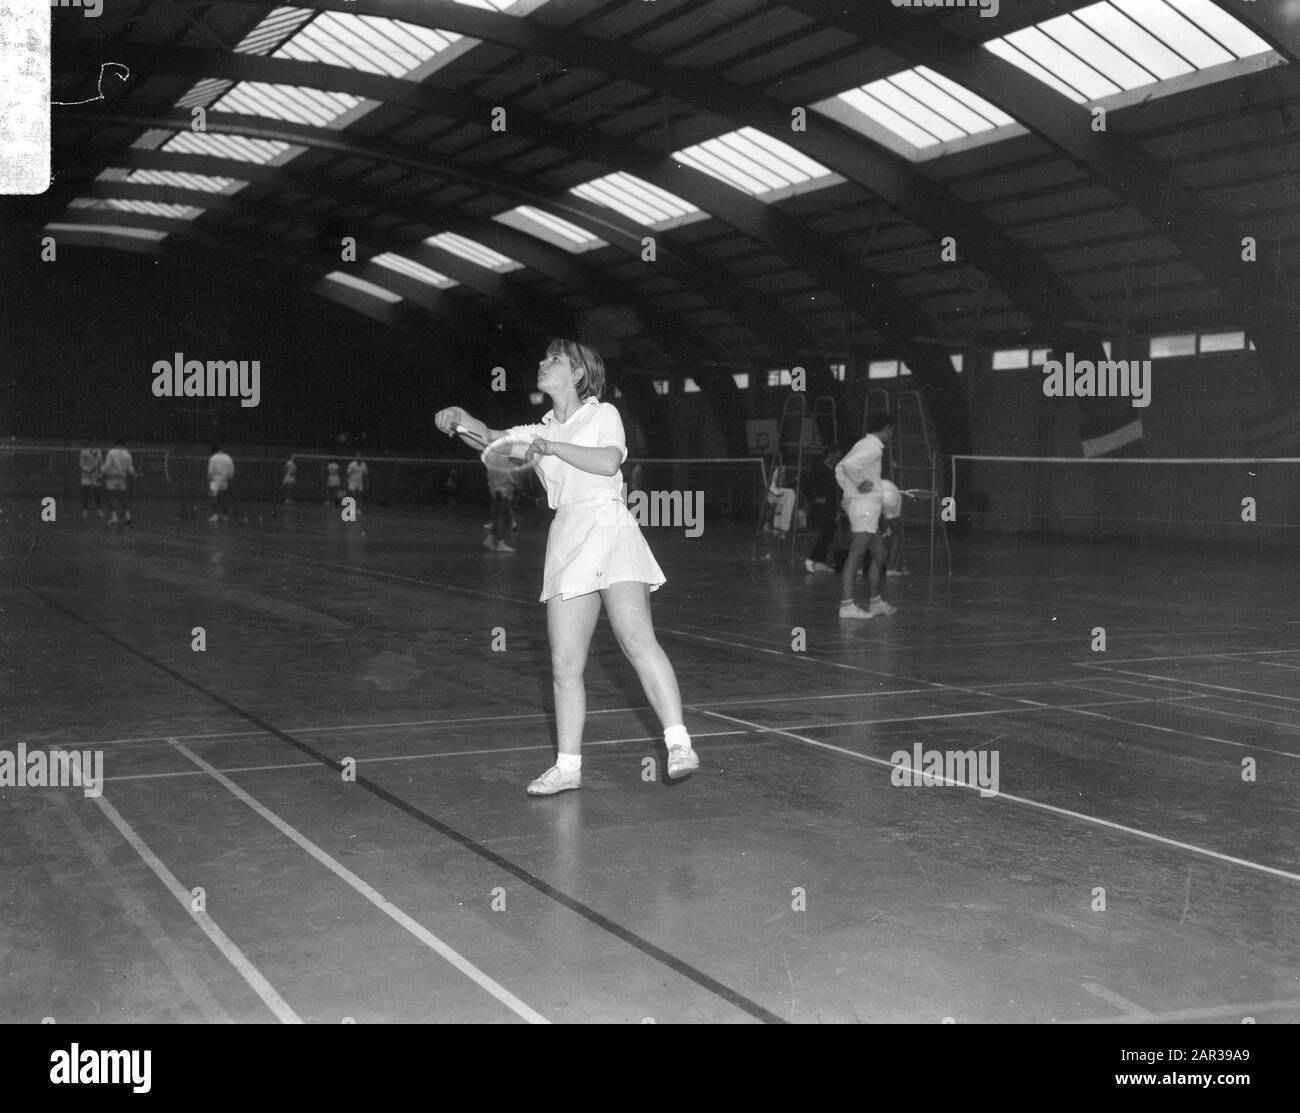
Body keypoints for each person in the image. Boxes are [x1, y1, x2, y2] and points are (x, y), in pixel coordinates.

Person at [435, 338, 699, 795]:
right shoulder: (537, 430)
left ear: (577, 373)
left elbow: (608, 461)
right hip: (568, 535)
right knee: (564, 664)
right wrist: (460, 419)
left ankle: (678, 744)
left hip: (608, 524)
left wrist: (551, 447)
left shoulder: (603, 415)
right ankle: (568, 767)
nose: (542, 362)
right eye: (543, 357)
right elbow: (495, 439)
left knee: (636, 639)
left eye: (553, 359)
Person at [835, 414, 898, 620]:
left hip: (867, 507)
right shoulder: (872, 447)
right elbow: (848, 466)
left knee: (880, 554)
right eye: (892, 430)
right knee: (856, 554)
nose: (892, 434)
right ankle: (847, 605)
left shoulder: (864, 444)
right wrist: (859, 485)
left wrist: (849, 491)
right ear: (887, 428)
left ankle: (875, 602)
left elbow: (839, 468)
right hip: (865, 509)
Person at [803, 446, 843, 573]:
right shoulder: (819, 468)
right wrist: (815, 498)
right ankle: (811, 559)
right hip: (821, 506)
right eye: (836, 456)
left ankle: (819, 561)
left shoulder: (834, 470)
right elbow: (807, 485)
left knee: (830, 533)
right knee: (826, 532)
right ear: (830, 454)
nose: (838, 459)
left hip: (831, 506)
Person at [101, 438, 135, 526]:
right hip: (122, 478)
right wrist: (133, 473)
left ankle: (114, 518)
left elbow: (107, 466)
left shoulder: (111, 452)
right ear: (124, 444)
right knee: (123, 498)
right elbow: (130, 469)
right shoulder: (128, 454)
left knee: (111, 497)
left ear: (116, 443)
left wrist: (101, 471)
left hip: (112, 477)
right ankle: (128, 517)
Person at [485, 467, 516, 552]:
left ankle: (490, 539)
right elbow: (508, 478)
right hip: (502, 492)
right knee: (501, 518)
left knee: (498, 517)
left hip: (499, 492)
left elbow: (491, 478)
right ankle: (500, 543)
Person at [207, 444, 234, 522]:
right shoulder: (227, 457)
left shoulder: (213, 458)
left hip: (215, 481)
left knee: (213, 497)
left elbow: (210, 471)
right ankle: (225, 516)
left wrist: (209, 479)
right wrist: (229, 477)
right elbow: (231, 469)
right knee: (224, 498)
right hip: (224, 480)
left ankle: (215, 515)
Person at [79, 442, 104, 518]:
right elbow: (81, 464)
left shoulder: (99, 451)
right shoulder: (84, 451)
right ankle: (85, 511)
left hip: (96, 476)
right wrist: (89, 470)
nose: (95, 443)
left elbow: (101, 464)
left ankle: (99, 510)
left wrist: (101, 474)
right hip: (86, 476)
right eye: (93, 441)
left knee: (97, 493)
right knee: (85, 493)